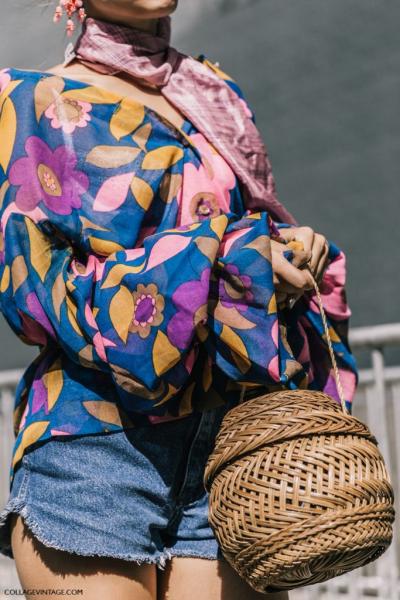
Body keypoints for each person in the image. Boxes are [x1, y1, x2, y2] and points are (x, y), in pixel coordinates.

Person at [0, 1, 358, 598]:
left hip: (233, 447)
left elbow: (247, 238)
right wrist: (228, 258)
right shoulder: (28, 101)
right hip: (96, 442)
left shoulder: (213, 91)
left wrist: (280, 251)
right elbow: (32, 294)